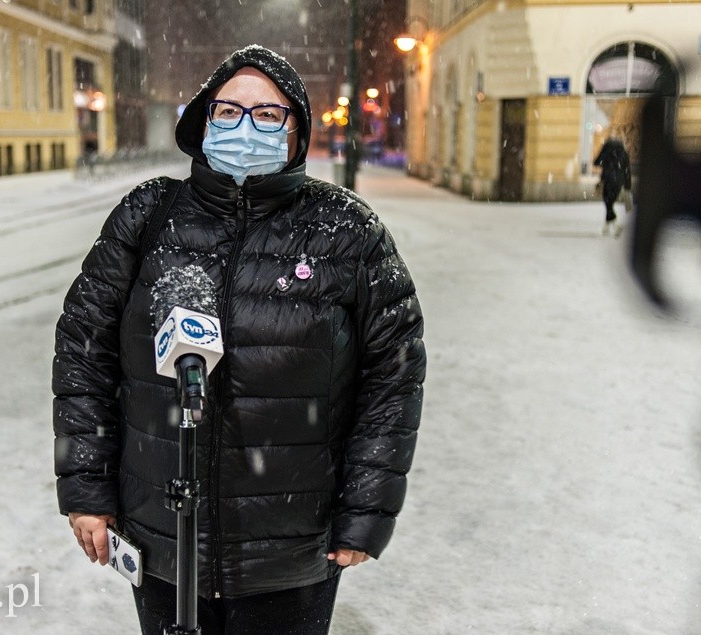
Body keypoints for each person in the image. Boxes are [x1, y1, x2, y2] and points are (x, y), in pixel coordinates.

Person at [53, 45, 426, 635]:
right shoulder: (149, 216)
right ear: (203, 121)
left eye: (268, 114)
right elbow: (84, 353)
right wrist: (86, 488)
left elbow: (393, 375)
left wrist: (364, 510)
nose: (244, 126)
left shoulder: (347, 231)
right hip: (164, 538)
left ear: (296, 131)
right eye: (227, 111)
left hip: (292, 551)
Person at [594, 136, 633, 236]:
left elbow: (596, 162)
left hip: (608, 180)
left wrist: (603, 152)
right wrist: (627, 186)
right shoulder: (624, 153)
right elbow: (627, 171)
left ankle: (616, 224)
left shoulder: (607, 152)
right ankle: (606, 227)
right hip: (618, 182)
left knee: (608, 203)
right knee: (610, 203)